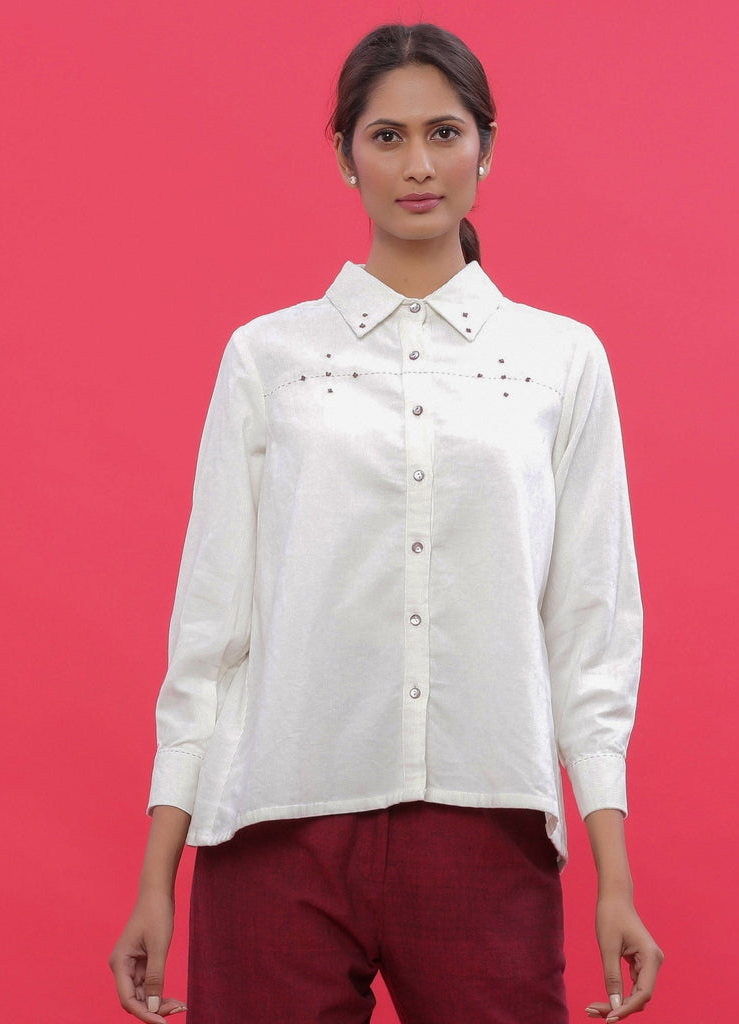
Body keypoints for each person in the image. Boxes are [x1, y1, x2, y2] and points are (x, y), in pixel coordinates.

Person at [110, 22, 663, 1024]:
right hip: (276, 827)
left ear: (486, 147)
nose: (418, 166)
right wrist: (159, 873)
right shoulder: (268, 359)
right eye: (387, 136)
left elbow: (589, 630)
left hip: (486, 824)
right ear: (343, 154)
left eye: (445, 133)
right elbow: (211, 629)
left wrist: (611, 874)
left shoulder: (560, 362)